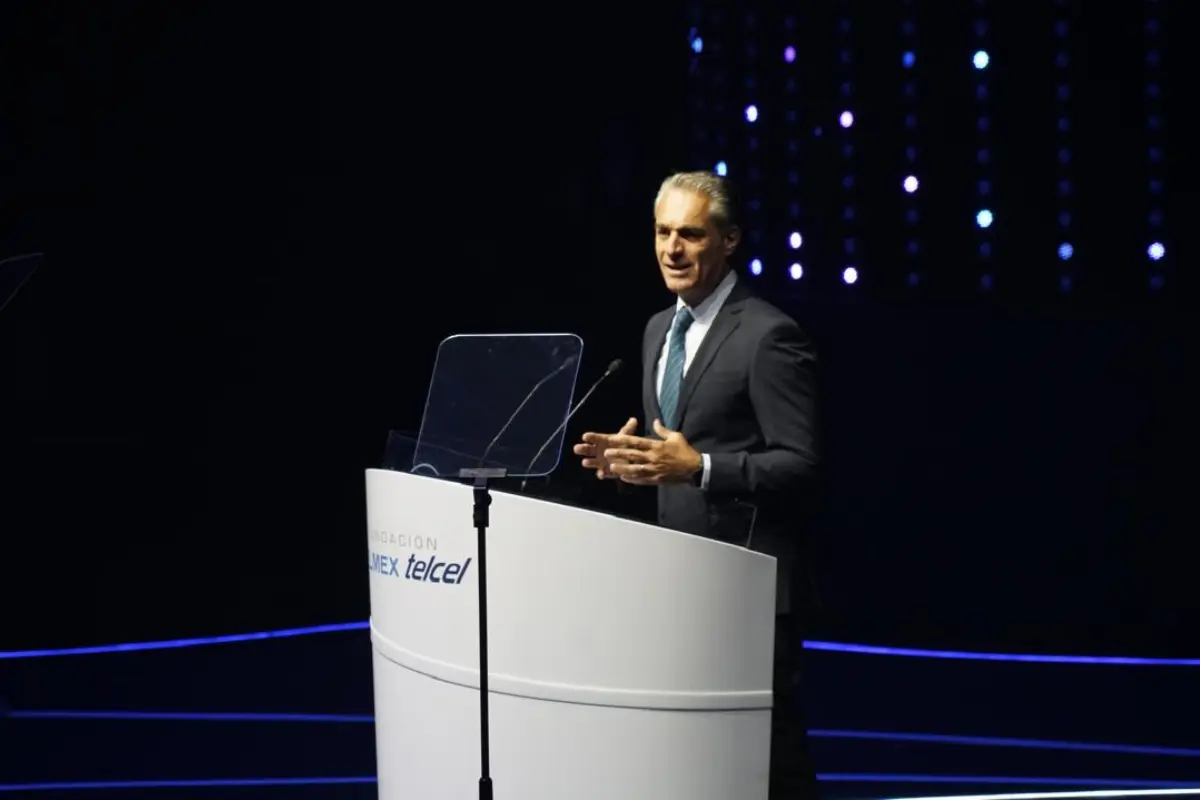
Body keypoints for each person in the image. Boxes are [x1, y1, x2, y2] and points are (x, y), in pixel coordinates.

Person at [572, 170, 820, 799]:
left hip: (748, 590)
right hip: (677, 585)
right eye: (661, 233)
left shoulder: (768, 335)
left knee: (769, 766)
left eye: (689, 234)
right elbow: (670, 454)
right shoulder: (659, 329)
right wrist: (633, 466)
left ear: (729, 240)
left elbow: (802, 463)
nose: (671, 250)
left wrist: (700, 468)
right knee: (696, 765)